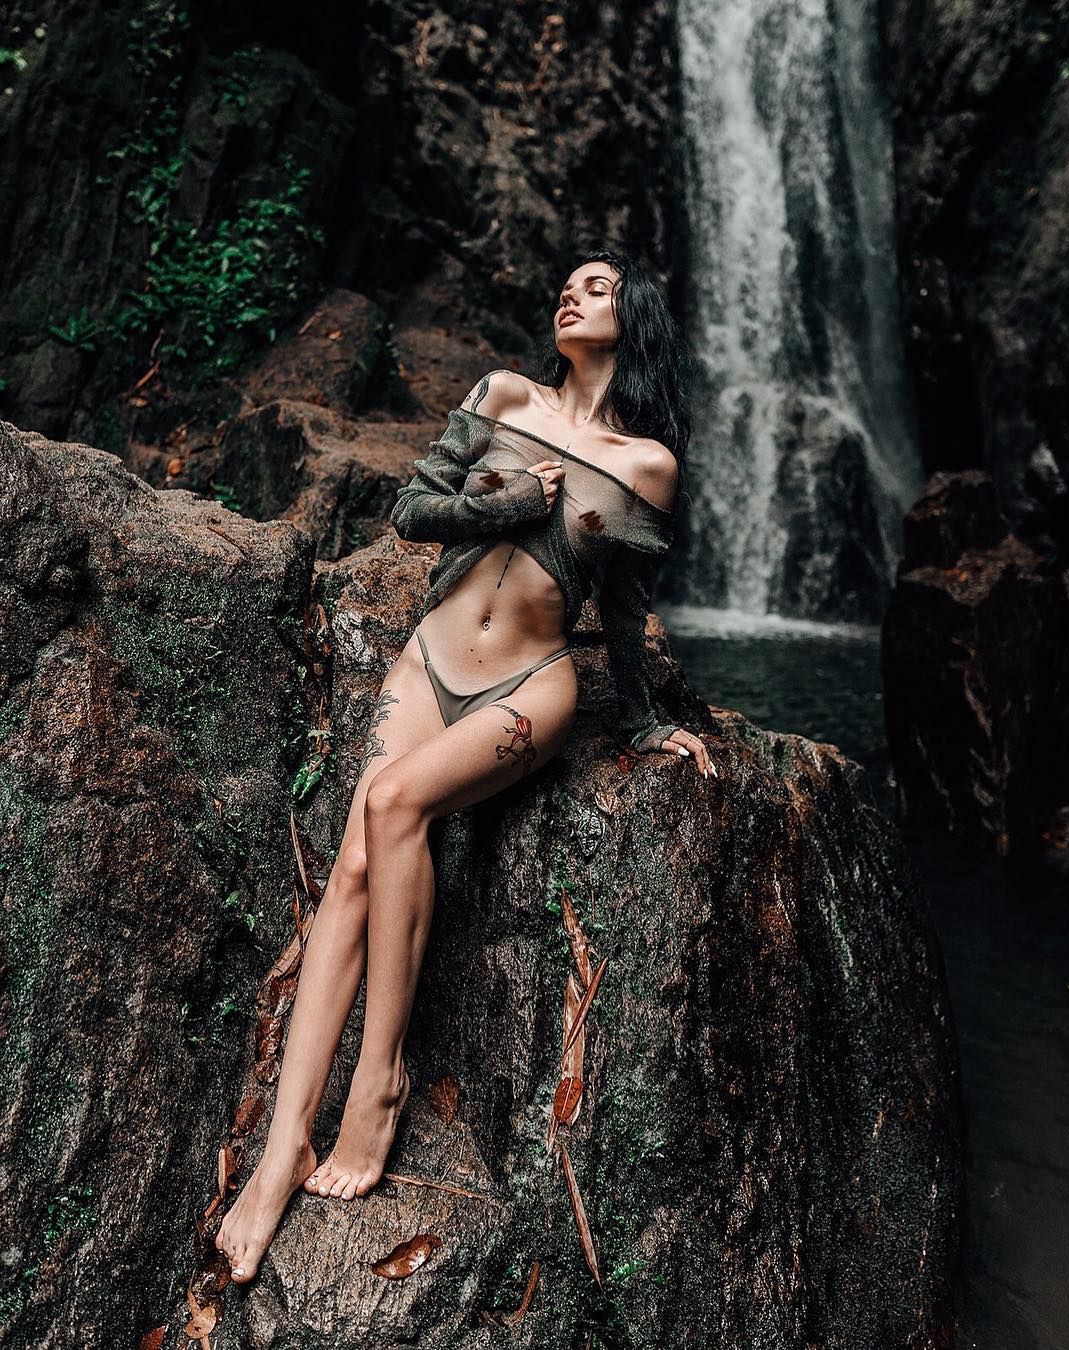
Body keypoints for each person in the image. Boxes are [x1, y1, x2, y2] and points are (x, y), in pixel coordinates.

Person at [215, 248, 717, 1283]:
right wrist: (507, 501)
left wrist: (649, 720)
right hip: (429, 660)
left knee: (394, 801)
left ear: (634, 316)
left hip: (531, 683)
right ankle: (279, 1154)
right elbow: (412, 512)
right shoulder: (503, 395)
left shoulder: (648, 464)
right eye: (567, 282)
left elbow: (624, 608)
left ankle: (379, 1084)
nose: (571, 292)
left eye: (597, 286)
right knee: (353, 871)